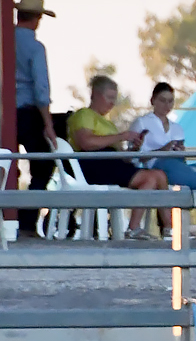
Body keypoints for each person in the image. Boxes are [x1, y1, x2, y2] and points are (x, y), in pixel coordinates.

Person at [0, 0, 58, 231]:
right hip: (28, 114)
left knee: (5, 165)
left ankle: (0, 219)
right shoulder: (35, 47)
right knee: (43, 165)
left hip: (4, 112)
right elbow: (41, 89)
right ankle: (25, 220)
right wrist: (48, 124)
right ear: (37, 19)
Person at [67, 74, 170, 239]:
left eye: (114, 98)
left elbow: (121, 156)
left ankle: (163, 228)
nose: (112, 103)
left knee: (157, 175)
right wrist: (121, 136)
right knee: (151, 177)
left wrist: (133, 149)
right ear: (96, 95)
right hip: (93, 163)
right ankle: (150, 228)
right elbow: (86, 142)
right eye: (109, 97)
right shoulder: (83, 114)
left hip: (111, 163)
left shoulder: (108, 123)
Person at [131, 82, 196, 236]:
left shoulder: (177, 127)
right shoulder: (142, 123)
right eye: (162, 100)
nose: (167, 105)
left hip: (177, 166)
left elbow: (182, 162)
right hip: (157, 166)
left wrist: (179, 151)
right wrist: (163, 150)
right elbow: (135, 157)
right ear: (153, 101)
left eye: (170, 101)